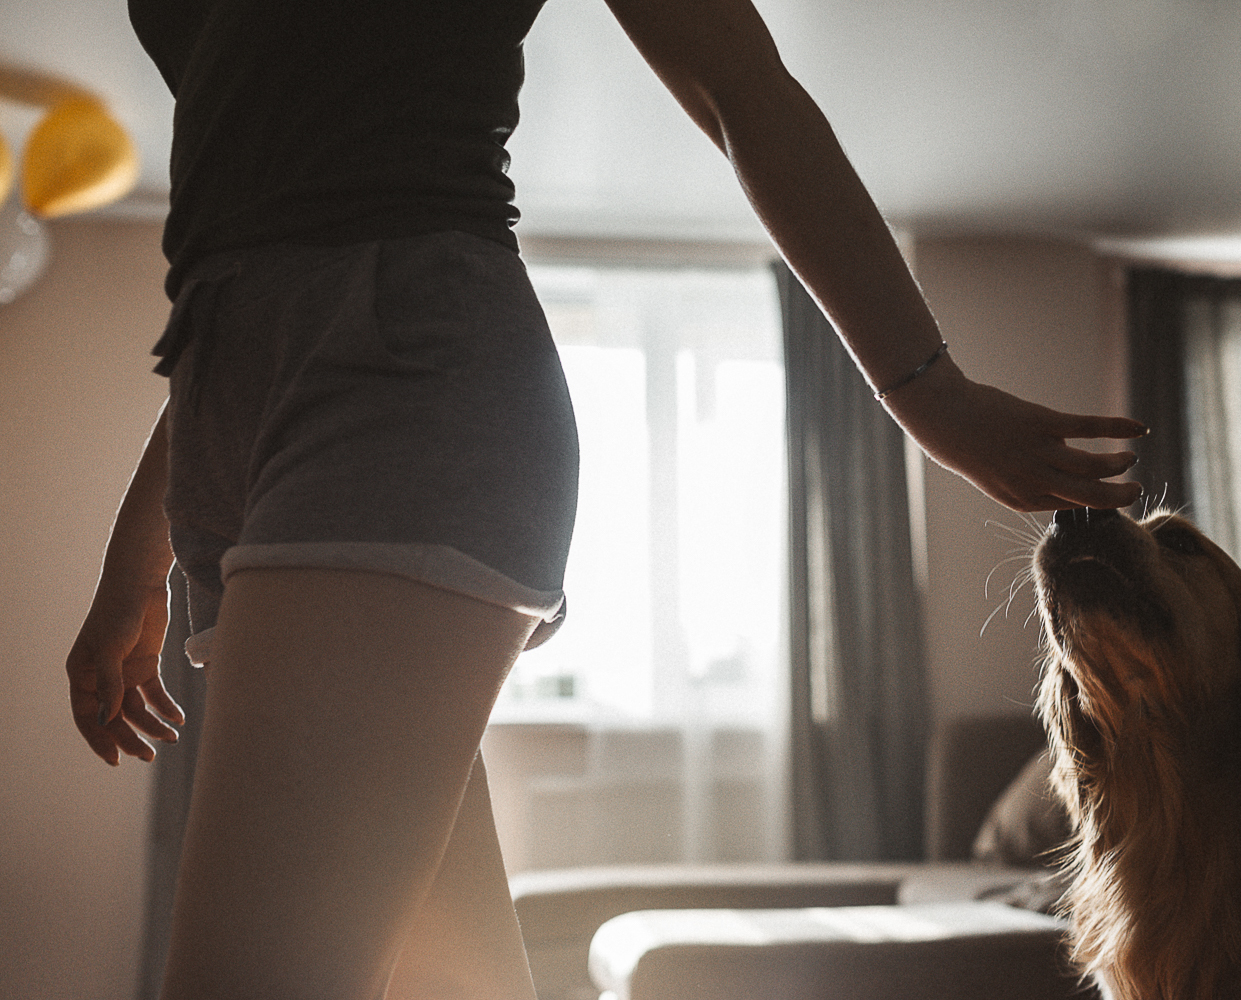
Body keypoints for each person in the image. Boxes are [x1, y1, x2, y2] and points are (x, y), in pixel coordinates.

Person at [67, 0, 1146, 997]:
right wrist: (139, 549)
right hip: (244, 406)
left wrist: (929, 390)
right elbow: (258, 228)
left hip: (401, 377)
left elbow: (742, 89)